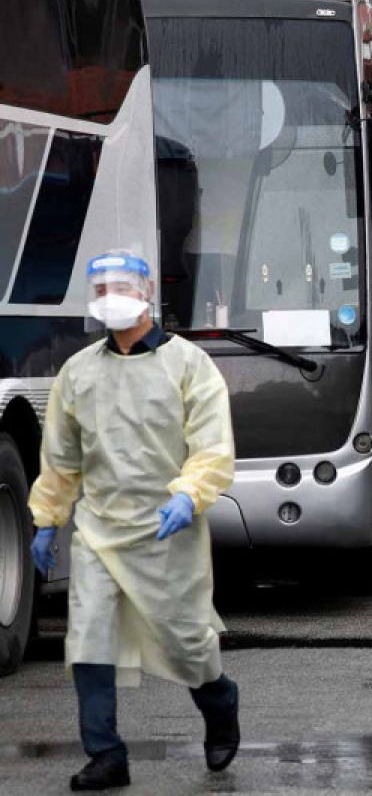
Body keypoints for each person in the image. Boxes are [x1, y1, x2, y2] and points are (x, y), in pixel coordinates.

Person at [27, 251, 239, 791]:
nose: (111, 298)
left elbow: (213, 446)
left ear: (146, 293)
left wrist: (188, 496)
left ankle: (219, 702)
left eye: (120, 287)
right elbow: (62, 458)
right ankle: (106, 753)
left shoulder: (189, 365)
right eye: (101, 290)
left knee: (187, 642)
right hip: (100, 530)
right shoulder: (79, 374)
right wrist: (48, 519)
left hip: (169, 530)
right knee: (89, 640)